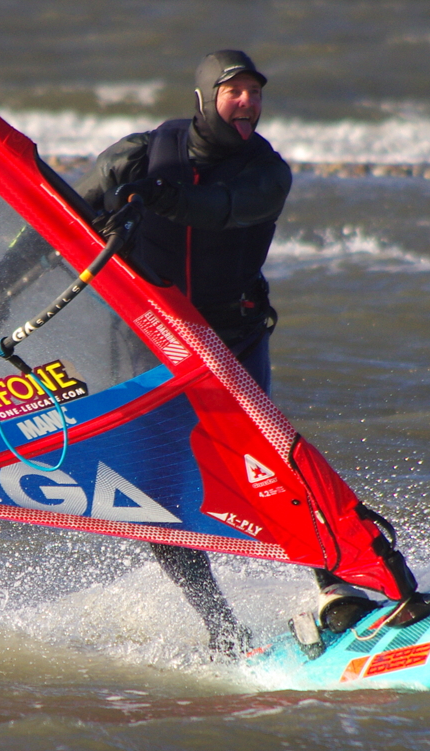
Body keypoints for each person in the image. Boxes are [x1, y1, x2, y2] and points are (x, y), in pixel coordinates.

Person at [73, 50, 386, 655]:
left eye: (255, 93)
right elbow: (61, 214)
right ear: (204, 97)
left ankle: (335, 587)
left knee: (269, 457)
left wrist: (162, 199)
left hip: (230, 336)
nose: (247, 103)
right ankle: (220, 627)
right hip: (149, 338)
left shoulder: (266, 172)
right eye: (234, 91)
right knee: (154, 489)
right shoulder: (137, 155)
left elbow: (220, 209)